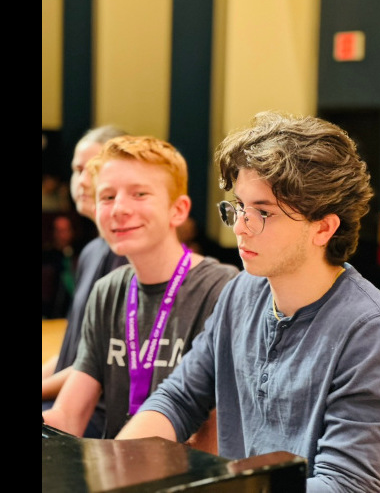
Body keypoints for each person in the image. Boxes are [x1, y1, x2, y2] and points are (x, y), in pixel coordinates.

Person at [115, 111, 380, 492]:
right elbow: (179, 399)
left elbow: (345, 485)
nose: (241, 226)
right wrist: (116, 469)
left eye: (263, 213)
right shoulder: (240, 293)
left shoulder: (373, 335)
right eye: (239, 207)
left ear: (324, 228)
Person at [42, 135, 240, 443]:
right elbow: (68, 416)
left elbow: (213, 434)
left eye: (139, 194)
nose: (119, 208)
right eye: (107, 197)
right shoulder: (108, 291)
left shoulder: (221, 287)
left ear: (178, 210)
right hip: (114, 470)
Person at [42, 124, 131, 437]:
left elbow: (98, 368)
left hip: (95, 416)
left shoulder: (127, 257)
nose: (79, 181)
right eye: (75, 170)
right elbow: (72, 352)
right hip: (62, 400)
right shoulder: (92, 250)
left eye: (89, 170)